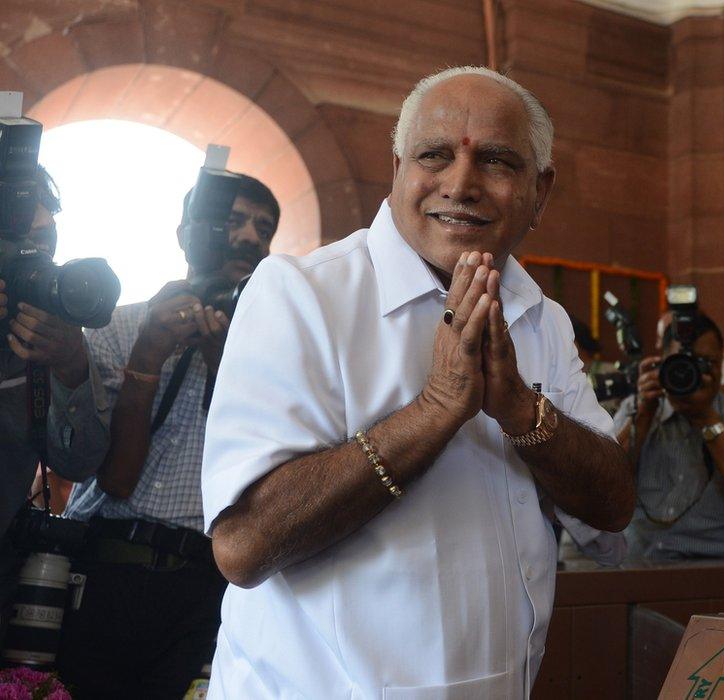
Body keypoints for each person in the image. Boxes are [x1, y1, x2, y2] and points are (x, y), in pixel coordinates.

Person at [200, 67, 635, 698]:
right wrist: (434, 412)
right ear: (398, 167)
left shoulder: (542, 317)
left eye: (496, 161)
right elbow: (242, 547)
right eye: (435, 155)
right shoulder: (304, 293)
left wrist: (518, 410)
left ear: (541, 192)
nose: (461, 184)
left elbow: (613, 508)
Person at [53, 174, 280, 698]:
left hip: (205, 588)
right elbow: (116, 480)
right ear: (186, 235)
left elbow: (266, 471)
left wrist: (228, 366)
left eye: (263, 229)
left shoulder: (270, 350)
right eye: (233, 220)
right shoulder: (118, 327)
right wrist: (148, 357)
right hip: (104, 568)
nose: (248, 236)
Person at [0, 165, 109, 621]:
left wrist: (69, 365)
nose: (35, 255)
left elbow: (79, 462)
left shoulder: (52, 336)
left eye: (45, 239)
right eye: (21, 238)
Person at [614, 312, 724, 561]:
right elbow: (605, 479)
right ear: (662, 362)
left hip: (708, 571)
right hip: (636, 563)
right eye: (681, 362)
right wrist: (644, 414)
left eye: (705, 362)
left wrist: (705, 417)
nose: (691, 372)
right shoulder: (637, 407)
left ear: (720, 365)